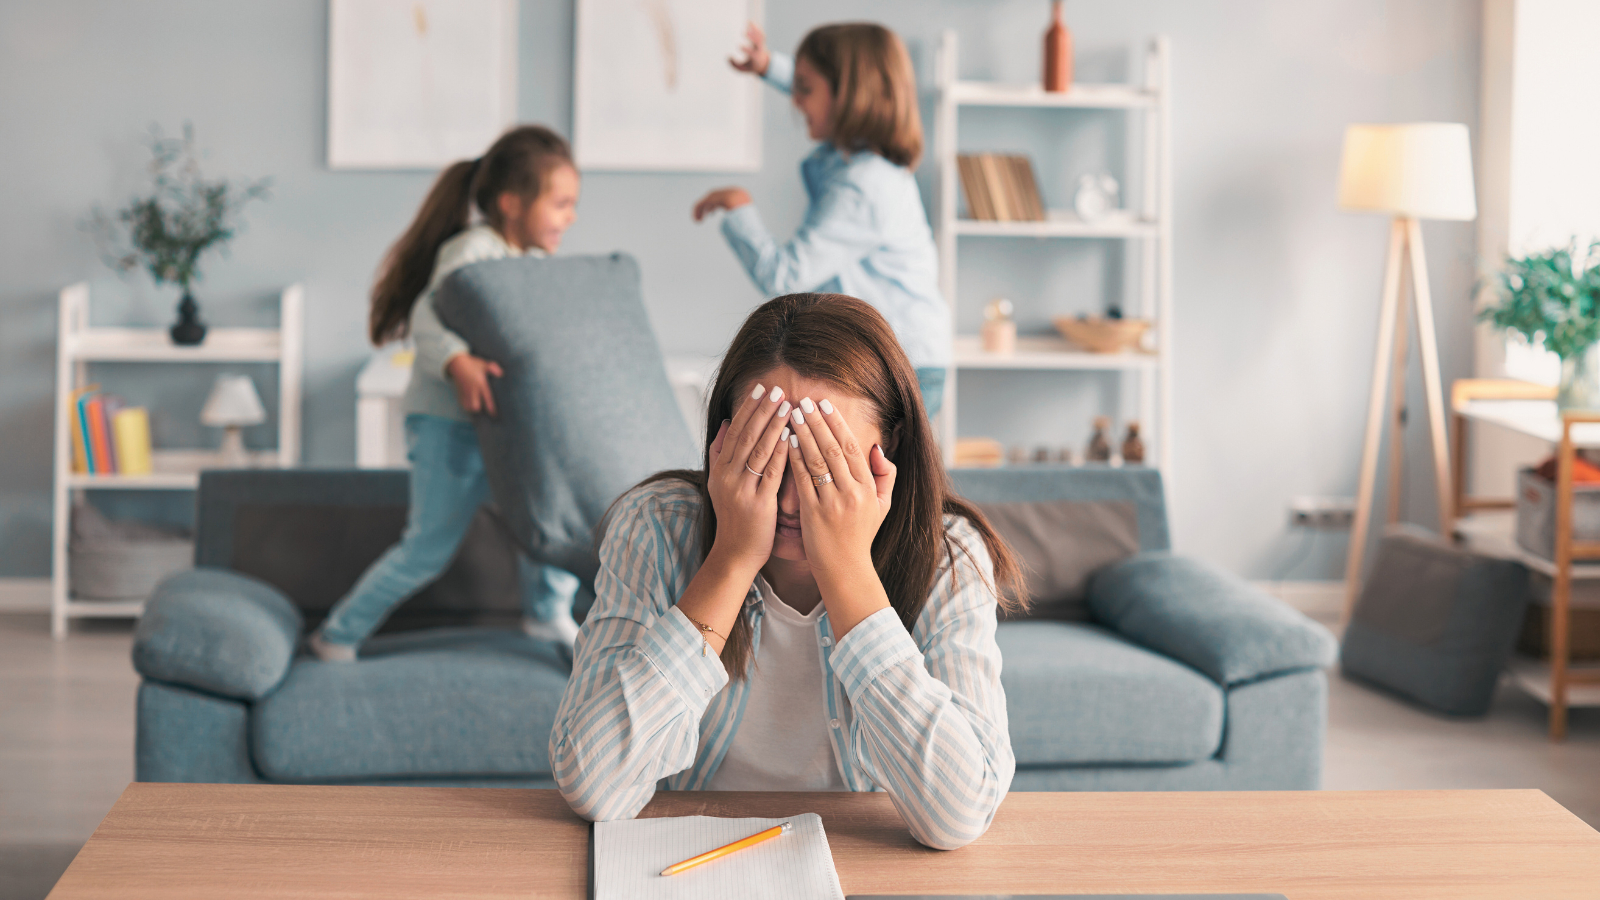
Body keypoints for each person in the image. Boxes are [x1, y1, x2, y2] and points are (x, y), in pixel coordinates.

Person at [549, 292, 1021, 851]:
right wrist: (731, 558)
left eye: (827, 462)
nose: (792, 502)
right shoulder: (655, 526)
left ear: (889, 444)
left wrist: (846, 568)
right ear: (725, 440)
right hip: (690, 856)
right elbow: (595, 787)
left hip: (860, 862)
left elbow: (958, 816)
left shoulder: (948, 555)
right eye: (767, 455)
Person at [308, 125, 583, 661]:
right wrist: (457, 360)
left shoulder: (535, 264)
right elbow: (427, 315)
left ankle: (546, 612)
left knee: (549, 521)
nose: (570, 217)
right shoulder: (472, 250)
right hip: (449, 425)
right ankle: (336, 635)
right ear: (511, 203)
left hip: (508, 426)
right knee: (427, 546)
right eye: (561, 204)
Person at [692, 22, 952, 417]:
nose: (796, 101)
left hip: (904, 367)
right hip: (899, 358)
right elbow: (825, 92)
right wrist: (769, 68)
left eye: (805, 88)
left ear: (850, 97)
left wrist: (739, 209)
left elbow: (785, 276)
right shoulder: (864, 165)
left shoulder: (864, 188)